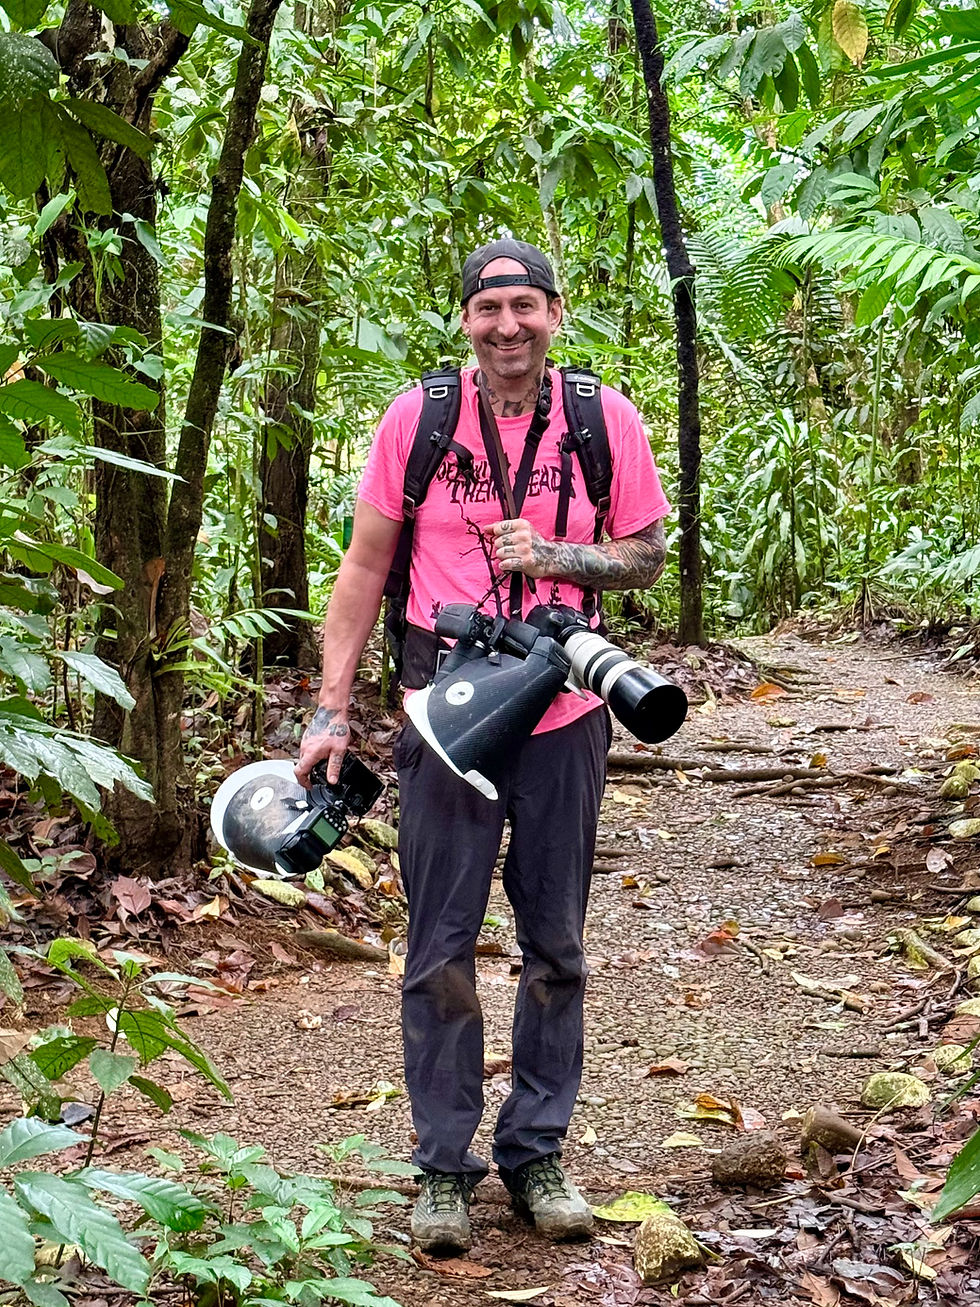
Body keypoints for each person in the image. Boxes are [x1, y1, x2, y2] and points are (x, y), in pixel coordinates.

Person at [295, 238, 671, 1255]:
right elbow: (365, 566)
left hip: (561, 714)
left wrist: (553, 555)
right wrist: (332, 707)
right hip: (441, 711)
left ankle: (535, 1150)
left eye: (524, 306)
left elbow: (643, 555)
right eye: (487, 307)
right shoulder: (416, 420)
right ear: (466, 319)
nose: (506, 324)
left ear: (554, 313)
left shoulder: (603, 420)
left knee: (554, 943)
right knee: (439, 945)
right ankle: (440, 1166)